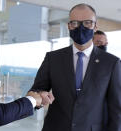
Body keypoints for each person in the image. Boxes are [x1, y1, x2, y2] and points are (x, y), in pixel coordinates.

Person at [30, 3, 121, 131]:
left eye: (87, 22)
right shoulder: (53, 58)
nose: (81, 27)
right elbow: (36, 90)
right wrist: (39, 96)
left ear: (95, 26)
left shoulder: (112, 63)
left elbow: (116, 108)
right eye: (75, 23)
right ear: (69, 26)